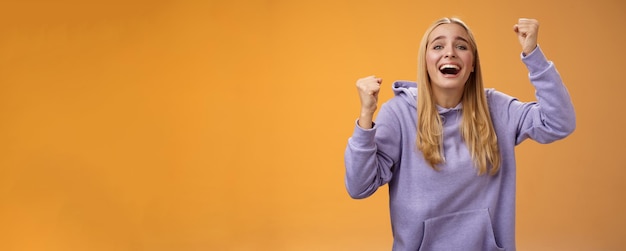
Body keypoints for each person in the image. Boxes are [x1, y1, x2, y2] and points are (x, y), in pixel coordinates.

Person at [344, 17, 575, 251]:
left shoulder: (497, 109)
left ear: (472, 63)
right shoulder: (398, 114)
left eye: (461, 46)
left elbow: (559, 122)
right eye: (437, 46)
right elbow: (359, 187)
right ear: (425, 61)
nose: (450, 53)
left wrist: (533, 56)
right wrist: (365, 116)